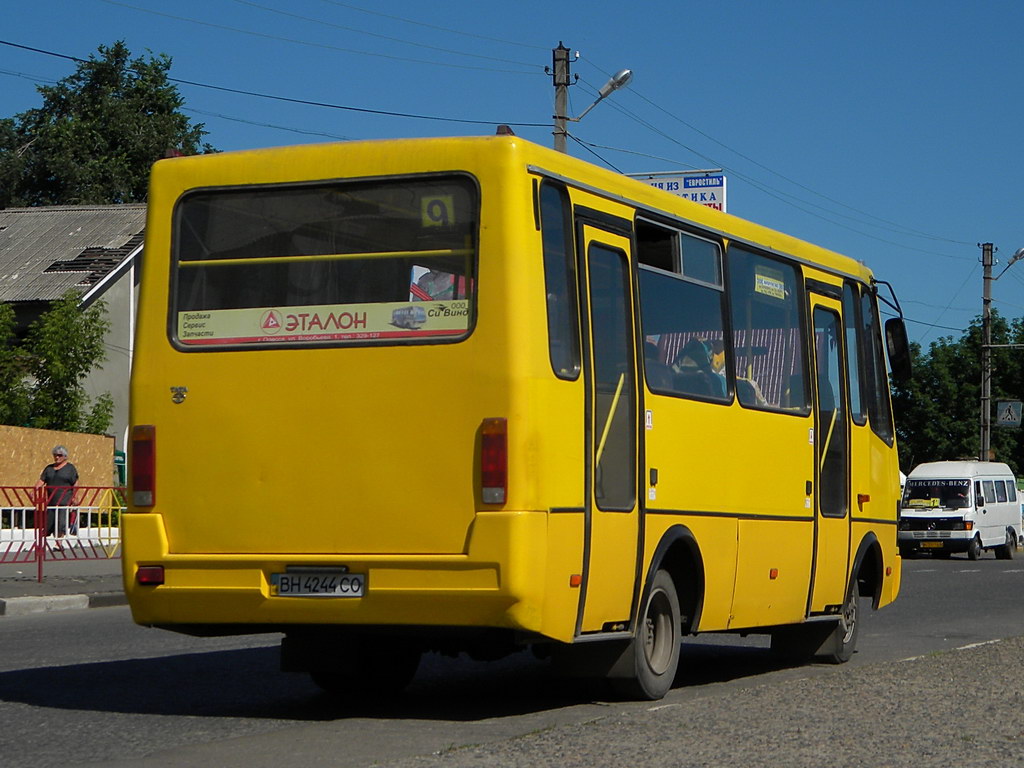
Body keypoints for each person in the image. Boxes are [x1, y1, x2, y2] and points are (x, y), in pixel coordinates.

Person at [35, 445, 79, 538]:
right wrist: (35, 490)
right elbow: (42, 480)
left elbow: (75, 483)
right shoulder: (49, 468)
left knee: (61, 522)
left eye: (59, 455)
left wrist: (75, 496)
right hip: (51, 500)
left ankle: (58, 543)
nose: (57, 457)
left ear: (65, 456)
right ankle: (43, 545)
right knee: (49, 523)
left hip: (64, 500)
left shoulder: (70, 469)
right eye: (55, 455)